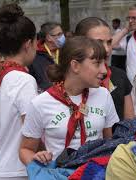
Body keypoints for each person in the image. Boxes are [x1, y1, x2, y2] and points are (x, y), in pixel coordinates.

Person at [19, 36, 120, 164]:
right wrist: (40, 167)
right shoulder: (41, 103)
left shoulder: (103, 95)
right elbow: (25, 149)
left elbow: (110, 142)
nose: (104, 70)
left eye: (104, 63)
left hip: (96, 173)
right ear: (75, 66)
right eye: (97, 63)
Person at [0, 4, 38, 180]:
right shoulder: (23, 80)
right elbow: (32, 129)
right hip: (18, 170)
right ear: (28, 44)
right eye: (36, 41)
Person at [75, 17, 134, 120]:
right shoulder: (68, 83)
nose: (106, 49)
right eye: (98, 42)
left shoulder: (119, 76)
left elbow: (129, 121)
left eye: (109, 42)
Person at [112, 4, 136, 116]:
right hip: (132, 93)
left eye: (134, 18)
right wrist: (126, 29)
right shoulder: (128, 38)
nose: (130, 21)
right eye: (128, 18)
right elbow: (111, 44)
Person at [28, 22, 65, 91]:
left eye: (62, 34)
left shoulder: (66, 51)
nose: (63, 37)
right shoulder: (35, 55)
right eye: (59, 34)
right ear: (49, 37)